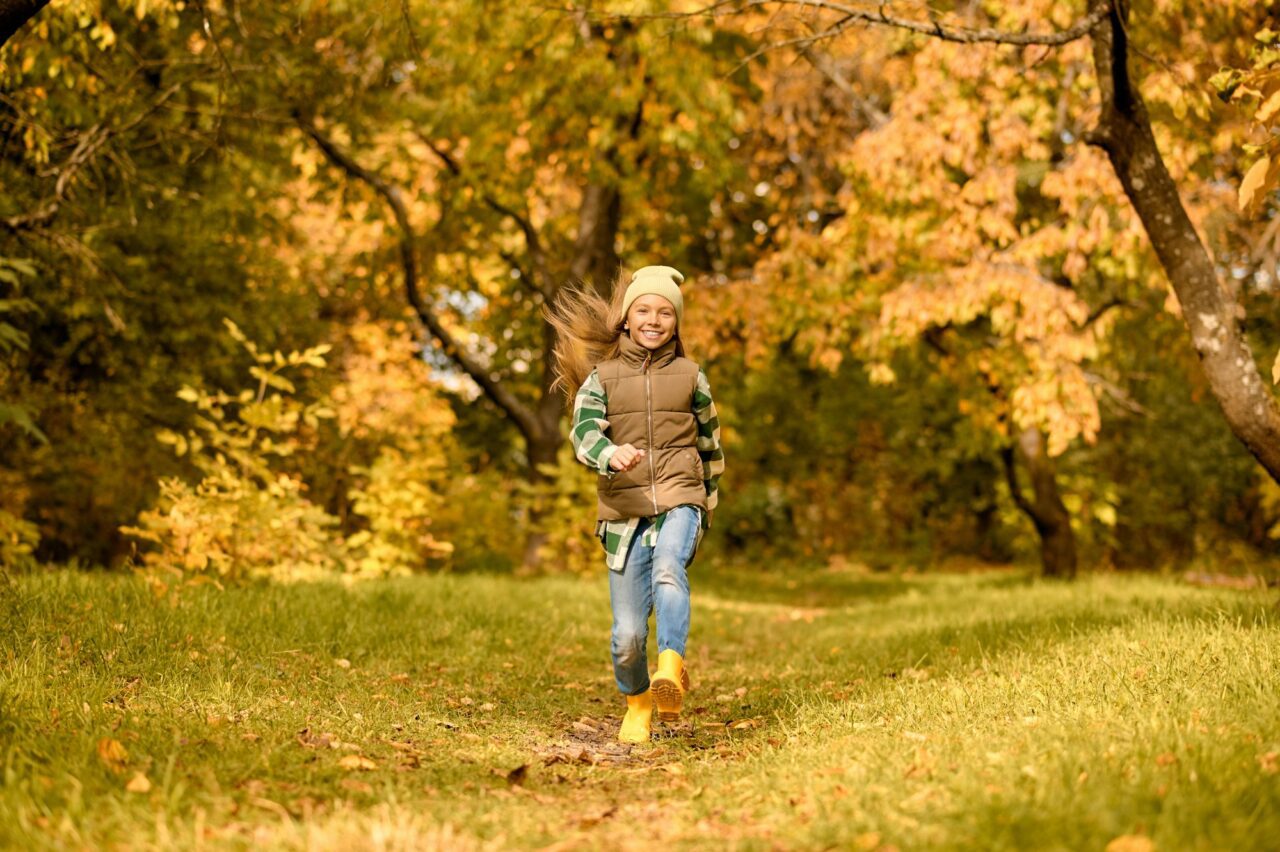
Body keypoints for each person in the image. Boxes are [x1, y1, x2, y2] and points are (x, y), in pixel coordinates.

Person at [547, 265, 725, 744]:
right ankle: (639, 701)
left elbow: (711, 446)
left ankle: (670, 665)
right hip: (624, 512)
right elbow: (584, 433)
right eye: (643, 310)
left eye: (665, 313)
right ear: (626, 319)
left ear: (676, 322)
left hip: (680, 498)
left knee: (669, 567)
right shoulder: (602, 378)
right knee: (626, 636)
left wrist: (704, 507)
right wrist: (609, 454)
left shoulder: (691, 376)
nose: (654, 320)